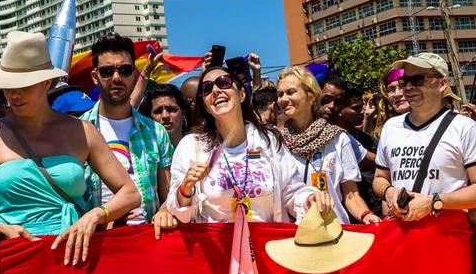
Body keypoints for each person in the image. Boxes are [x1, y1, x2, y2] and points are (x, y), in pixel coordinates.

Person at [0, 31, 141, 266]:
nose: (14, 94)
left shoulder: (82, 131)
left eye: (24, 86)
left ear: (47, 83)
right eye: (8, 87)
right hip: (10, 261)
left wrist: (96, 215)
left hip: (73, 258)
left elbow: (130, 193)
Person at [157, 64, 333, 230]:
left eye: (223, 83)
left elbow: (291, 192)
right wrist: (185, 189)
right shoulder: (190, 146)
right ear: (206, 106)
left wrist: (310, 199)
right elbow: (180, 213)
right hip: (220, 253)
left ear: (241, 94)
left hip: (267, 247)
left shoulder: (269, 140)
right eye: (207, 89)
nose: (216, 90)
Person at [371, 54, 476, 220]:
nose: (408, 87)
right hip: (402, 233)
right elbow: (380, 178)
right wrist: (389, 191)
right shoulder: (391, 127)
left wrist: (433, 202)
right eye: (404, 81)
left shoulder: (464, 127)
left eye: (417, 80)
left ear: (441, 84)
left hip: (447, 235)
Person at [79, 33, 173, 226]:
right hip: (98, 243)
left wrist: (164, 212)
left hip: (147, 239)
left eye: (124, 70)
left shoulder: (156, 132)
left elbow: (168, 197)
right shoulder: (77, 131)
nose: (116, 77)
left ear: (134, 74)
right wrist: (106, 220)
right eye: (106, 71)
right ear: (95, 76)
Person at [276, 67, 380, 224]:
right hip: (295, 238)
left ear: (311, 96)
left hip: (335, 233)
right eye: (280, 94)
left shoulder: (338, 139)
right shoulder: (277, 143)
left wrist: (366, 215)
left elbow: (351, 195)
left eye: (290, 92)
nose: (283, 99)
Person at [139, 83, 192, 148]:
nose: (165, 116)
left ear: (184, 114)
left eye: (171, 109)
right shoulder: (142, 151)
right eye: (158, 111)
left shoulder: (198, 148)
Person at [375, 68, 410, 136]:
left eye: (402, 86)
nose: (397, 94)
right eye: (391, 89)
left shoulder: (435, 125)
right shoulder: (387, 129)